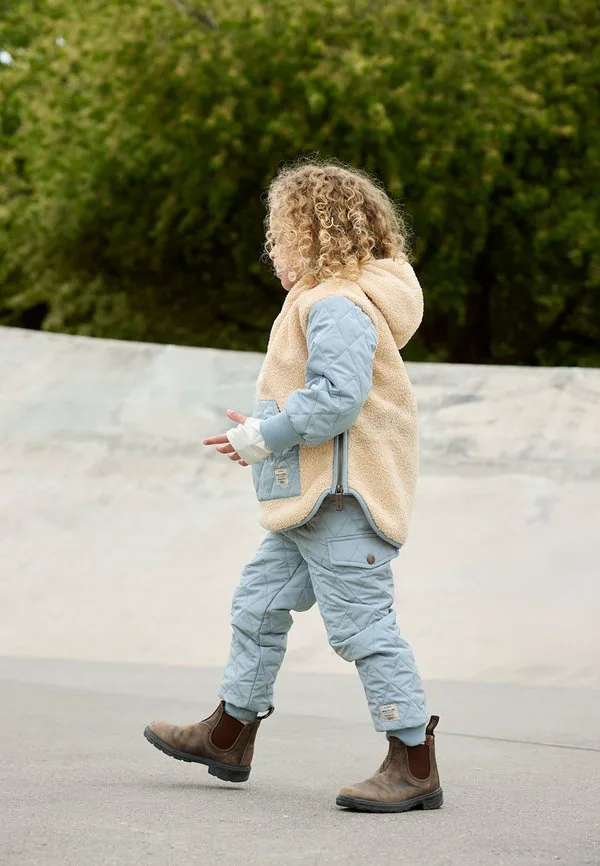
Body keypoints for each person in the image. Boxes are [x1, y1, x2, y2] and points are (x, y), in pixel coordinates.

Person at [144, 161, 443, 814]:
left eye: (278, 237)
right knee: (257, 606)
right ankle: (229, 734)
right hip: (310, 504)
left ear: (312, 235)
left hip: (341, 504)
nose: (272, 251)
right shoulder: (321, 300)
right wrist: (264, 429)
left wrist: (264, 435)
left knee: (363, 629)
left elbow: (336, 399)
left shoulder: (336, 303)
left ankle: (414, 763)